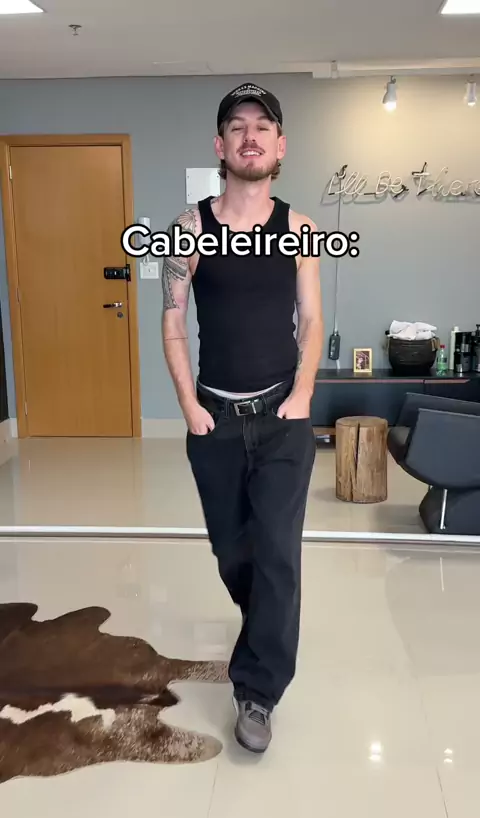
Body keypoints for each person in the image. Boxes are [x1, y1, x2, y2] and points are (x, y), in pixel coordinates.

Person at [161, 82, 323, 753]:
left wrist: (303, 392)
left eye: (262, 126)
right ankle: (263, 624)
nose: (249, 136)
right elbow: (173, 321)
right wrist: (188, 405)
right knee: (235, 553)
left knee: (278, 555)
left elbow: (312, 321)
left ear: (280, 146)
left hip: (283, 418)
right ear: (220, 145)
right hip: (216, 422)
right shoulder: (188, 228)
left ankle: (258, 692)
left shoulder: (300, 230)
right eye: (237, 126)